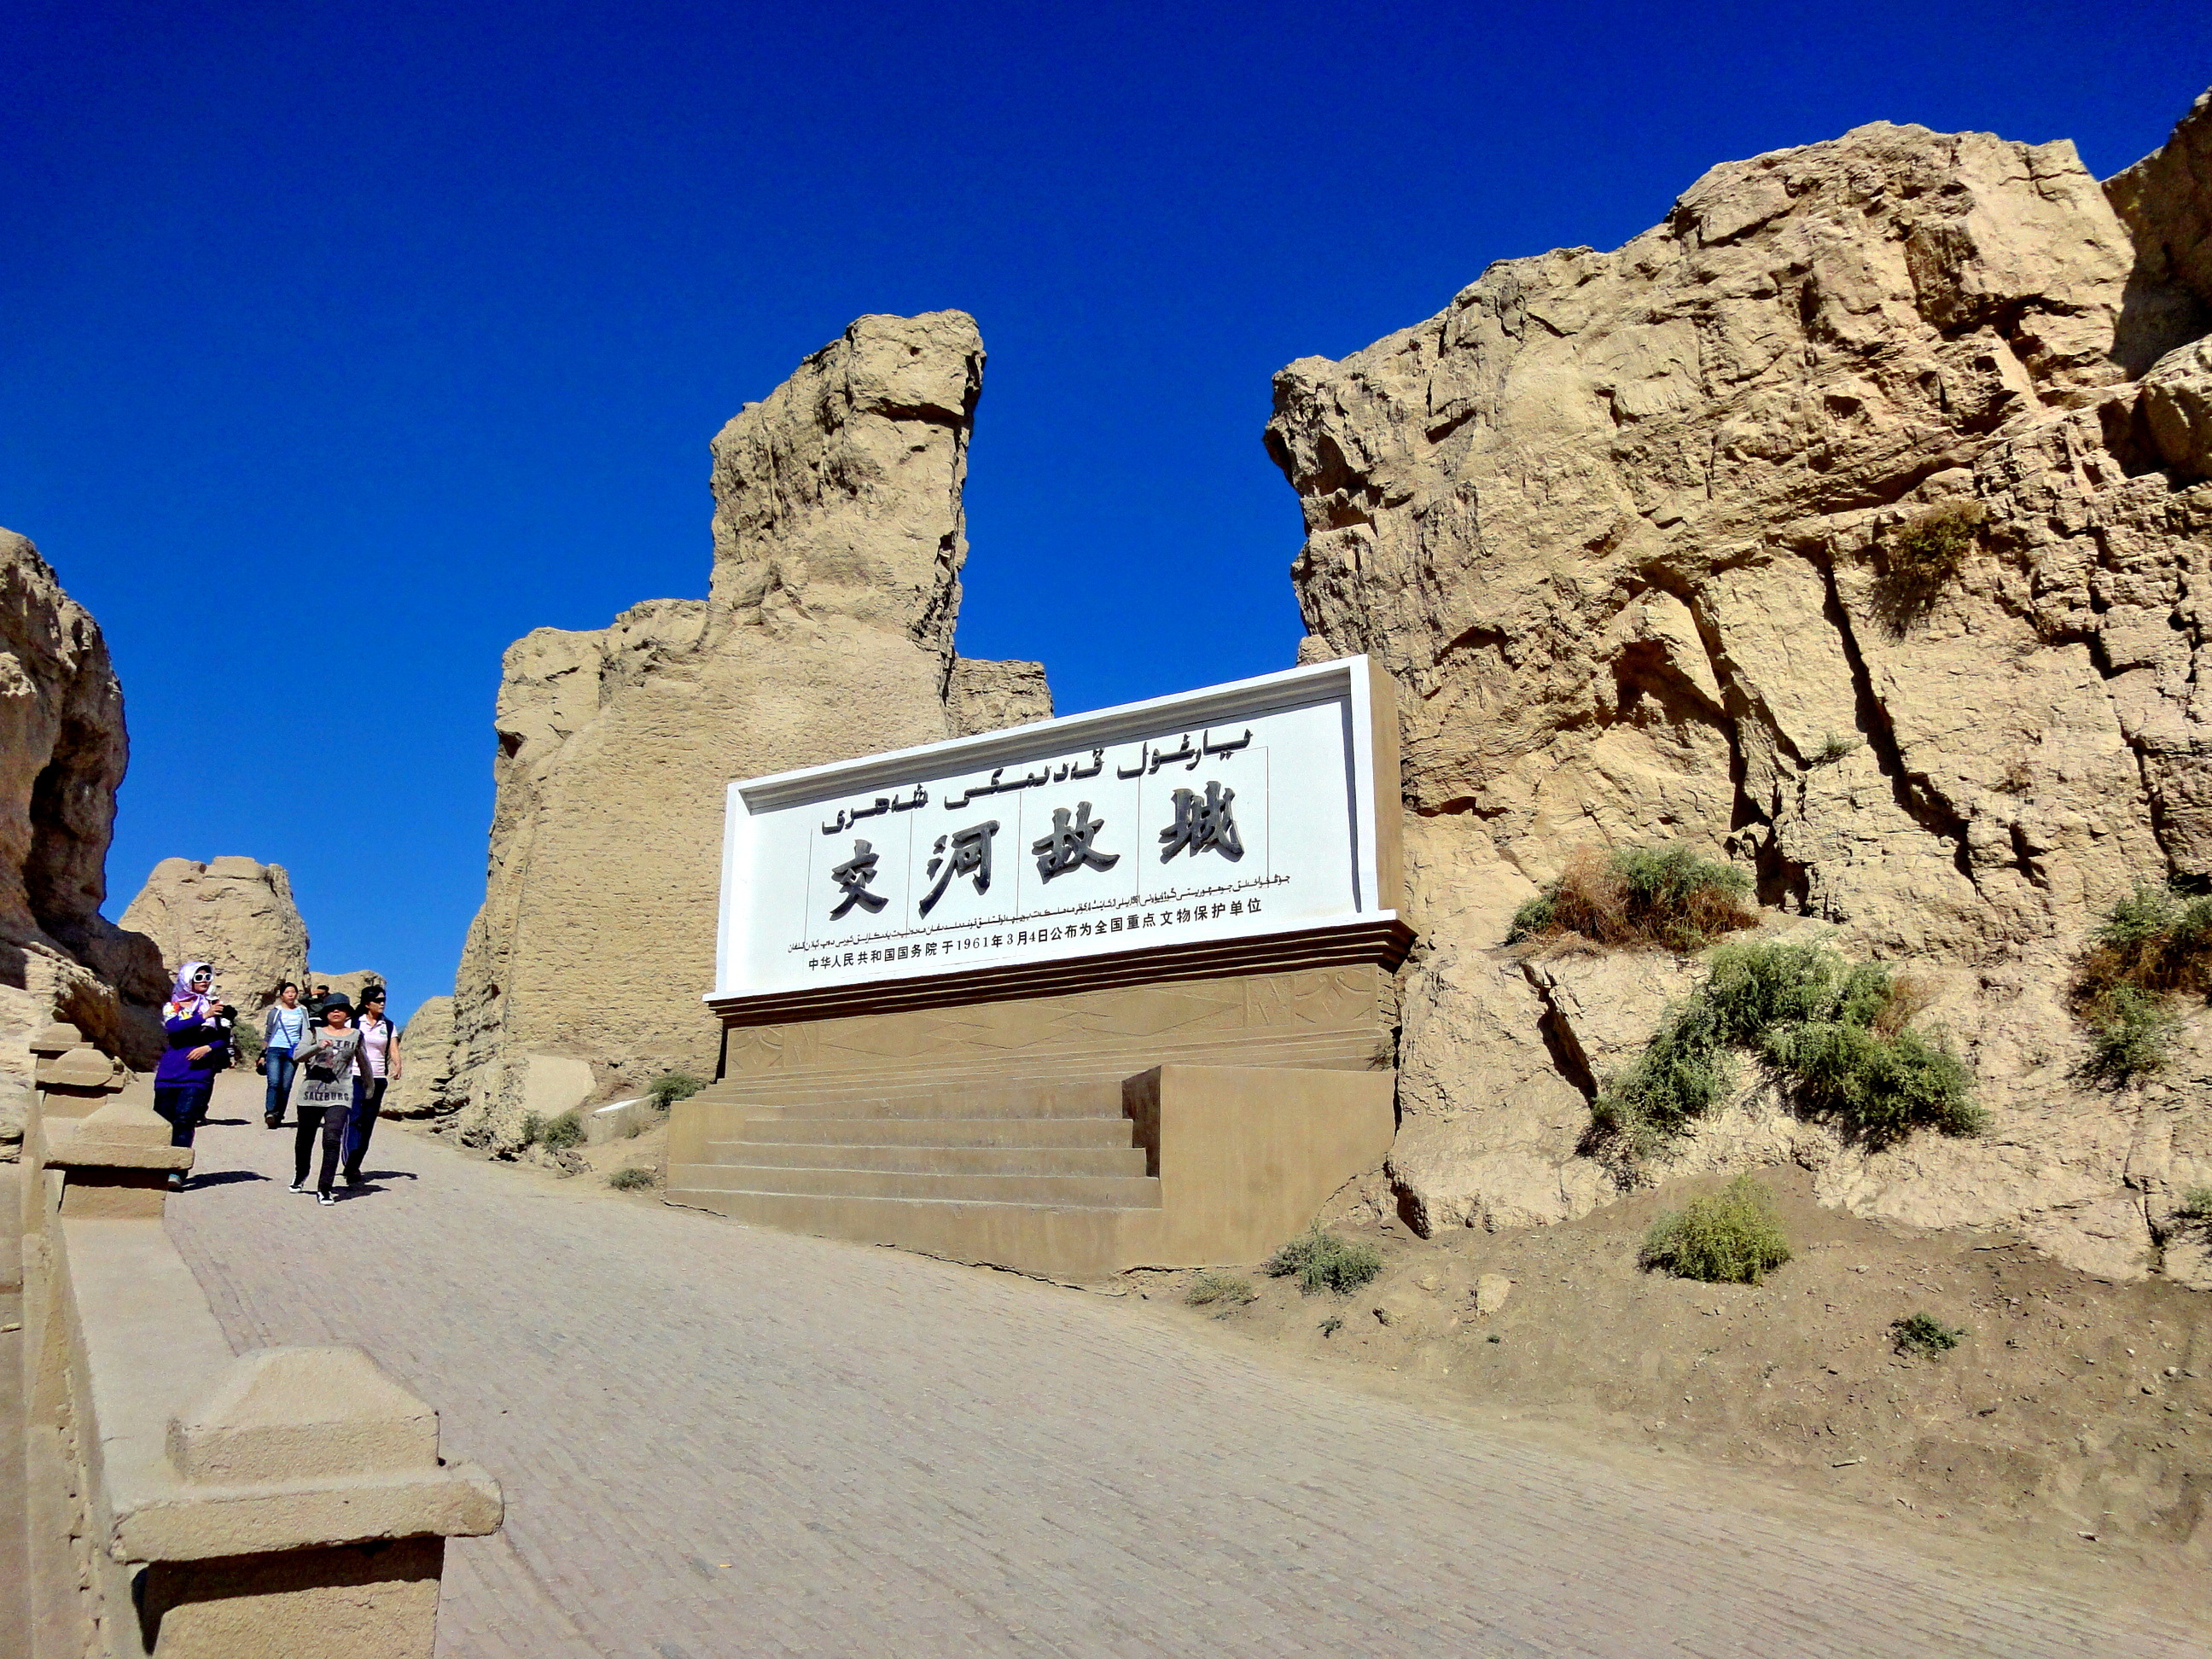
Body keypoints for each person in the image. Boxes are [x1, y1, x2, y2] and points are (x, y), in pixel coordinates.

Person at [153, 961, 231, 1190]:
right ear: (187, 979)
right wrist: (204, 1014)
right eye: (199, 977)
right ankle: (157, 1168)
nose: (204, 981)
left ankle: (177, 1171)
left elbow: (225, 1037)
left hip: (198, 1074)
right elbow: (174, 1027)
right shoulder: (173, 1006)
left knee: (185, 1120)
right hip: (170, 1073)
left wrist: (208, 1048)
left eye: (208, 977)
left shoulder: (216, 1007)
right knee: (162, 1123)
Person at [291, 997, 368, 1206]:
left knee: (332, 1139)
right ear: (325, 1013)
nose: (336, 1012)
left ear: (348, 1013)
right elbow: (297, 1056)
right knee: (304, 1140)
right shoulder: (314, 1032)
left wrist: (369, 1089)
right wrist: (317, 1047)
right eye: (332, 1009)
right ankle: (301, 1174)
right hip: (310, 1095)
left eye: (341, 1009)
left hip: (340, 1094)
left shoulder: (356, 1035)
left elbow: (364, 1063)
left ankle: (325, 1188)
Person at [342, 984, 402, 1185]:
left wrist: (398, 1064)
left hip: (377, 1079)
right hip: (355, 1076)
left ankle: (355, 1164)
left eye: (384, 1000)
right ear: (367, 1004)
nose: (382, 1004)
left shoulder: (389, 1026)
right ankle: (349, 1162)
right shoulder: (353, 1023)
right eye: (378, 1000)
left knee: (367, 1123)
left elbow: (393, 1049)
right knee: (354, 1118)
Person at [260, 981, 308, 1128]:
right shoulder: (275, 1012)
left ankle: (278, 1116)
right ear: (282, 996)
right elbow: (268, 1034)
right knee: (274, 1083)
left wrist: (305, 1050)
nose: (291, 995)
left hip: (293, 1052)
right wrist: (262, 1054)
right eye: (287, 992)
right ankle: (270, 1113)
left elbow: (306, 1032)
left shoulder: (302, 1012)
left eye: (293, 992)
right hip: (274, 1049)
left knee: (286, 1086)